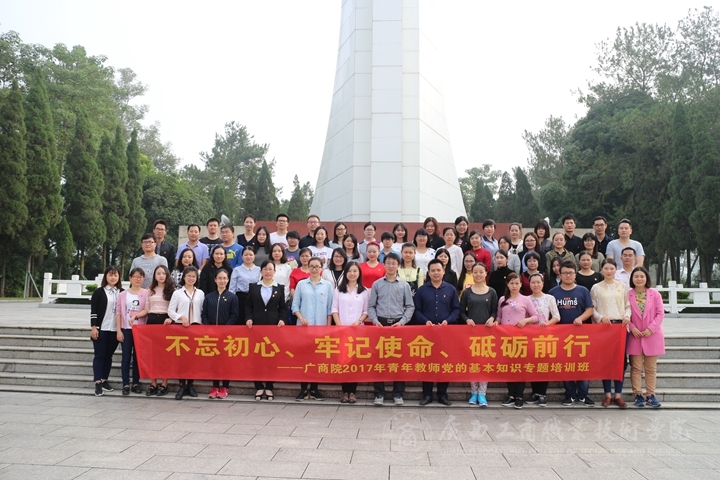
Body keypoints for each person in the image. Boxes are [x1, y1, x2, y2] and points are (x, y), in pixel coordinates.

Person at [368, 252, 414, 406]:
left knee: (399, 360)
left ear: (398, 266)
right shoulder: (377, 284)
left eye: (394, 263)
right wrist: (375, 321)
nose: (391, 266)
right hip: (380, 325)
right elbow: (371, 306)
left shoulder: (404, 285)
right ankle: (379, 393)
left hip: (398, 325)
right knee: (379, 360)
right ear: (384, 265)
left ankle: (398, 394)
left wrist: (402, 322)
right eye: (388, 263)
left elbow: (410, 306)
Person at [415, 259, 460, 406]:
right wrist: (425, 321)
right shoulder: (422, 290)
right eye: (433, 270)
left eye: (438, 270)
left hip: (445, 333)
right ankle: (427, 394)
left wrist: (448, 320)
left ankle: (442, 394)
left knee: (444, 363)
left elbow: (456, 309)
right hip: (426, 333)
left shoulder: (451, 289)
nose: (436, 273)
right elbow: (416, 310)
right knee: (427, 363)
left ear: (443, 271)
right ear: (428, 273)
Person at [549, 261, 595, 407]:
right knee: (565, 365)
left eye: (570, 273)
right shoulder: (553, 292)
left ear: (575, 274)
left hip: (581, 335)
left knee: (582, 364)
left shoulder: (583, 291)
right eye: (565, 273)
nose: (568, 276)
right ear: (560, 274)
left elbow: (590, 309)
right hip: (561, 335)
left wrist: (580, 318)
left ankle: (583, 395)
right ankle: (569, 394)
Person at [496, 273, 540, 410]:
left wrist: (526, 320)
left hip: (521, 339)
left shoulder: (525, 300)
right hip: (506, 339)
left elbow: (536, 316)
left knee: (520, 367)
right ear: (508, 285)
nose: (514, 286)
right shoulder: (502, 299)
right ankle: (511, 395)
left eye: (517, 283)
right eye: (512, 283)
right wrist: (496, 323)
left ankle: (519, 396)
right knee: (509, 367)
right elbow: (499, 316)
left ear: (521, 284)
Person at [591, 258, 630, 408]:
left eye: (611, 268)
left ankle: (618, 395)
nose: (609, 271)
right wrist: (600, 317)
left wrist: (627, 316)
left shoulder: (623, 286)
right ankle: (607, 394)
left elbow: (628, 305)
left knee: (621, 360)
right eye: (606, 268)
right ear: (601, 270)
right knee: (606, 361)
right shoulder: (596, 288)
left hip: (620, 327)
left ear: (615, 270)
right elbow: (592, 308)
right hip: (604, 328)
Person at [292, 257, 333, 401]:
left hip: (321, 328)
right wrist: (301, 317)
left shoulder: (327, 285)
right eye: (312, 266)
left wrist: (328, 327)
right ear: (308, 268)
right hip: (304, 328)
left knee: (317, 359)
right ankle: (303, 389)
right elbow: (295, 306)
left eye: (317, 266)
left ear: (322, 268)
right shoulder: (301, 284)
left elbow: (330, 308)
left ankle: (314, 389)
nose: (314, 269)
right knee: (303, 358)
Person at [246, 260, 287, 401]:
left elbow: (283, 308)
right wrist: (248, 318)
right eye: (265, 269)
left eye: (270, 269)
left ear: (274, 271)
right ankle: (258, 386)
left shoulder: (279, 288)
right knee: (256, 356)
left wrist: (282, 319)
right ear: (261, 271)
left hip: (273, 327)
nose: (268, 272)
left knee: (272, 357)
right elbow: (248, 306)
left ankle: (269, 386)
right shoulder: (253, 287)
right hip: (256, 327)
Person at [331, 261, 369, 403]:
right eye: (349, 271)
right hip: (342, 331)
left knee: (355, 361)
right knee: (343, 361)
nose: (352, 274)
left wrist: (358, 322)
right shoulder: (338, 290)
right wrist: (339, 326)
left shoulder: (364, 291)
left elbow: (366, 311)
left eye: (355, 271)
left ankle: (353, 392)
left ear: (359, 273)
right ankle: (344, 392)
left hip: (358, 331)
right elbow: (334, 309)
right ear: (345, 273)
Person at [460, 262, 497, 407]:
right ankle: (474, 392)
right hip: (471, 332)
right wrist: (467, 319)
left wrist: (492, 318)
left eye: (481, 272)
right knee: (473, 362)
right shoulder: (467, 292)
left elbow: (495, 310)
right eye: (475, 272)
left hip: (487, 333)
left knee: (484, 363)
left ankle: (482, 393)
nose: (478, 275)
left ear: (486, 273)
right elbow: (461, 311)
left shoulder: (491, 291)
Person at [628, 266, 665, 408]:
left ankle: (651, 394)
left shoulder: (655, 294)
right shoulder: (628, 295)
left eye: (642, 276)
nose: (639, 279)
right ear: (632, 279)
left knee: (651, 368)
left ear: (646, 278)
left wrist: (651, 329)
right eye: (636, 276)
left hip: (652, 336)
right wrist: (632, 327)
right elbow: (624, 313)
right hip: (635, 335)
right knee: (636, 368)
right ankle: (637, 394)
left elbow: (660, 314)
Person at [201, 268, 240, 399]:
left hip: (226, 335)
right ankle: (215, 386)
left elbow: (234, 315)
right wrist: (209, 329)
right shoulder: (209, 297)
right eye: (220, 278)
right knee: (214, 361)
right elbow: (204, 314)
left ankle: (225, 387)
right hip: (211, 335)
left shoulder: (232, 297)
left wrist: (224, 330)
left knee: (226, 361)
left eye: (224, 278)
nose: (222, 281)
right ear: (215, 280)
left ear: (228, 280)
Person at [167, 266, 205, 400]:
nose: (191, 278)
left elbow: (202, 310)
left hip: (196, 328)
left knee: (193, 358)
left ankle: (191, 385)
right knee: (182, 358)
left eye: (193, 276)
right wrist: (181, 317)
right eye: (188, 276)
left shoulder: (200, 293)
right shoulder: (177, 293)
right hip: (181, 328)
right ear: (184, 277)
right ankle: (182, 385)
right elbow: (170, 311)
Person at [527, 272, 560, 406]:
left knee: (543, 365)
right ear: (529, 284)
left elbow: (556, 316)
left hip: (545, 336)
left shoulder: (549, 298)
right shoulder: (526, 299)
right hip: (530, 336)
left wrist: (547, 324)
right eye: (533, 282)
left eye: (538, 282)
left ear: (543, 284)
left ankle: (542, 394)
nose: (536, 285)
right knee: (532, 364)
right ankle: (535, 392)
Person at [90, 266, 122, 396]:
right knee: (99, 355)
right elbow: (94, 311)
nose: (113, 277)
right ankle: (98, 382)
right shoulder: (99, 292)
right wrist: (94, 327)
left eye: (115, 275)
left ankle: (104, 380)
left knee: (108, 356)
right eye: (110, 275)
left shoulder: (122, 292)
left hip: (115, 329)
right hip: (102, 328)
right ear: (106, 276)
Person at [116, 268, 148, 396]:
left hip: (140, 329)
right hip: (126, 329)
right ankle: (125, 383)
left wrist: (136, 316)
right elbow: (118, 313)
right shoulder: (122, 294)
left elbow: (147, 309)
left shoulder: (146, 293)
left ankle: (135, 383)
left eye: (141, 277)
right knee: (126, 357)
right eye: (135, 276)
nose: (138, 279)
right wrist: (119, 330)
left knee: (137, 357)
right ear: (130, 278)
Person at [145, 265, 174, 396]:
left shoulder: (172, 290)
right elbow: (146, 309)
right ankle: (153, 383)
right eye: (158, 273)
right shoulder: (150, 290)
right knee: (152, 354)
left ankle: (164, 383)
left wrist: (170, 318)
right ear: (155, 276)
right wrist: (135, 316)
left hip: (165, 322)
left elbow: (175, 308)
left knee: (165, 355)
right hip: (151, 321)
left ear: (167, 275)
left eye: (163, 273)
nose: (161, 276)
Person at [229, 247, 261, 317]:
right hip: (241, 298)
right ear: (242, 256)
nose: (248, 257)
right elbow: (232, 288)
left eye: (251, 255)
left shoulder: (259, 270)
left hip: (255, 298)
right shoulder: (236, 270)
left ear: (254, 256)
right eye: (246, 255)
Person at [289, 248, 312, 324]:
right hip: (299, 302)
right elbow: (292, 287)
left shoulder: (316, 271)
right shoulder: (295, 271)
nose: (304, 258)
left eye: (307, 256)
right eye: (302, 256)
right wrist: (297, 299)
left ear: (311, 257)